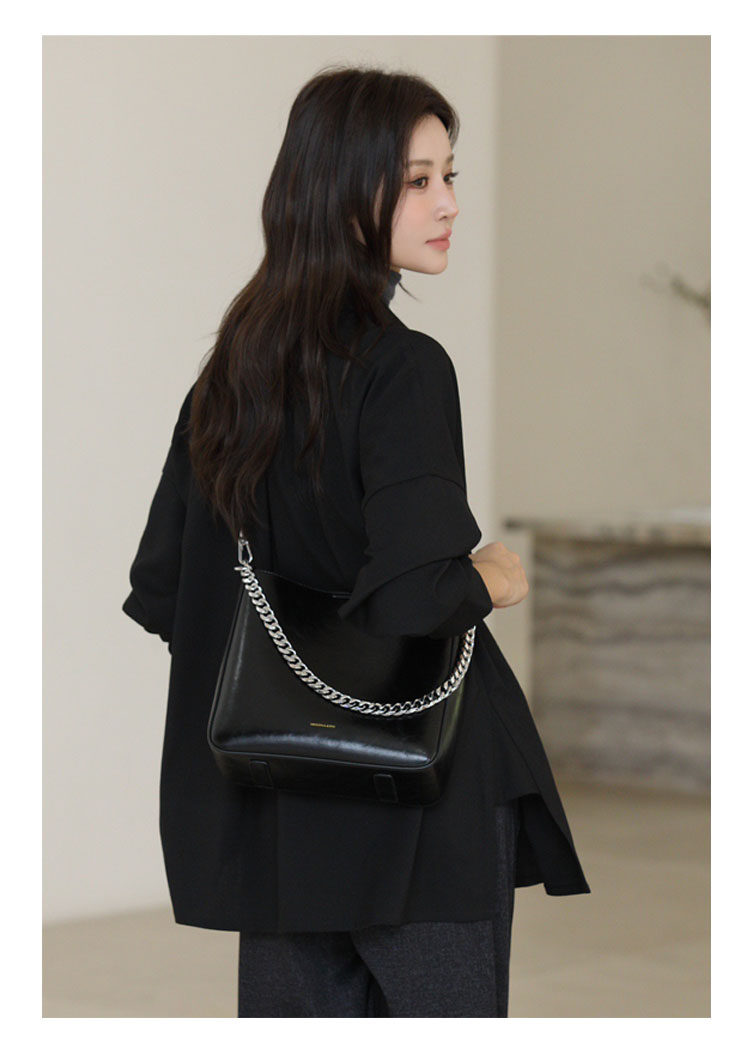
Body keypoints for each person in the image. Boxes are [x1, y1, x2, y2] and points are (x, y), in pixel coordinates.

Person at [122, 65, 590, 1018]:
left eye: (449, 176)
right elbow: (418, 595)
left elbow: (164, 590)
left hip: (280, 800)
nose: (448, 203)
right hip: (419, 795)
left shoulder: (231, 380)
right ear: (341, 194)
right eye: (417, 181)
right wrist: (491, 578)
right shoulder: (402, 370)